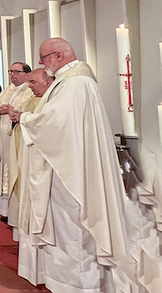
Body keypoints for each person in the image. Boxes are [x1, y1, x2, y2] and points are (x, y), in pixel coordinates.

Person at [10, 38, 133, 292]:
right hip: (69, 161)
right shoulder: (71, 81)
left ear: (58, 56)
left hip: (70, 170)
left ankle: (77, 286)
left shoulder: (74, 83)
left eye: (43, 57)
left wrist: (24, 118)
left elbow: (54, 123)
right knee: (66, 228)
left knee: (72, 228)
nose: (41, 62)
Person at [10, 67, 52, 285]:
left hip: (41, 166)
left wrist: (23, 118)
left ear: (48, 82)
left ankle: (44, 269)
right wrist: (18, 116)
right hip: (28, 161)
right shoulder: (33, 98)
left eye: (33, 82)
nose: (29, 86)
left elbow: (48, 127)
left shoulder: (51, 100)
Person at [0, 62, 33, 222]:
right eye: (11, 71)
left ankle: (16, 210)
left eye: (17, 72)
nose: (13, 74)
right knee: (4, 168)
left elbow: (31, 113)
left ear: (27, 74)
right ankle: (5, 210)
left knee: (14, 169)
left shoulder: (31, 91)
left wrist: (12, 111)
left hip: (17, 137)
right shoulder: (8, 90)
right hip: (2, 136)